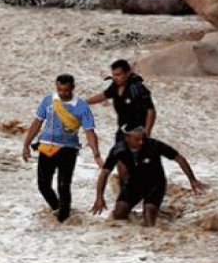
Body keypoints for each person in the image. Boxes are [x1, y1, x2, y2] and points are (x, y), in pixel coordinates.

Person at [23, 74, 103, 223]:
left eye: (66, 90)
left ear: (73, 88)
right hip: (46, 147)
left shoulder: (82, 107)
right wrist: (26, 144)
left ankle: (64, 220)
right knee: (43, 185)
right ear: (56, 87)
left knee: (63, 185)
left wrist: (96, 154)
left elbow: (89, 131)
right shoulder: (48, 101)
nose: (63, 93)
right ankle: (57, 209)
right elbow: (37, 122)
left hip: (68, 149)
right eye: (60, 90)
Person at [91, 125, 205, 227]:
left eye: (143, 138)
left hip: (155, 184)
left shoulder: (153, 145)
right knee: (118, 215)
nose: (141, 142)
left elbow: (179, 158)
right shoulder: (118, 150)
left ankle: (149, 242)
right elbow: (104, 173)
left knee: (149, 218)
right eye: (137, 139)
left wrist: (192, 180)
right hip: (133, 184)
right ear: (127, 138)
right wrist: (99, 197)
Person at [87, 59, 156, 141]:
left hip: (137, 131)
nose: (115, 78)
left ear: (127, 73)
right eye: (114, 75)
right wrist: (84, 103)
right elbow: (104, 95)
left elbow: (150, 110)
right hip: (123, 129)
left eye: (118, 75)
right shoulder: (115, 85)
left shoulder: (137, 88)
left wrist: (147, 131)